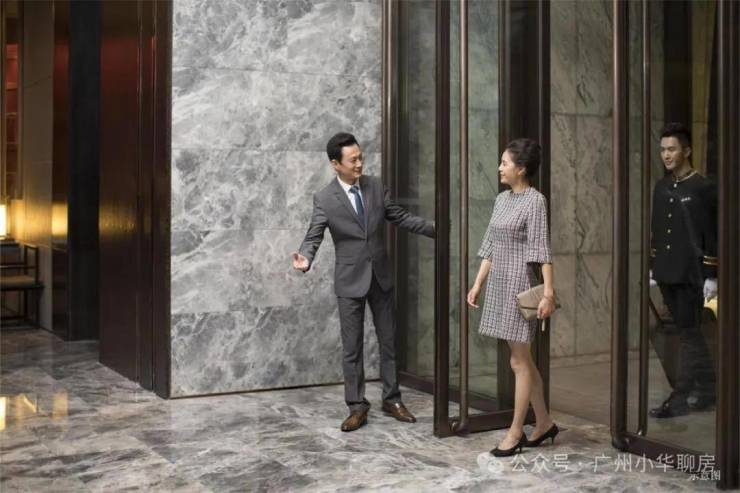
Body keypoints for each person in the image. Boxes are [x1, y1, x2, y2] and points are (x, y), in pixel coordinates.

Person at [292, 132, 435, 432]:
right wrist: (305, 257)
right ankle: (357, 406)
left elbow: (399, 216)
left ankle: (392, 399)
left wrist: (436, 228)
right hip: (349, 281)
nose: (359, 164)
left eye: (360, 157)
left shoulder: (375, 186)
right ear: (335, 164)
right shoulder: (324, 199)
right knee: (352, 348)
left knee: (389, 342)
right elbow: (314, 235)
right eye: (352, 160)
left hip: (381, 277)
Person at [467, 138, 558, 457]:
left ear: (521, 169)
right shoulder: (501, 200)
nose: (499, 168)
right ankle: (544, 422)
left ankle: (516, 431)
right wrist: (478, 283)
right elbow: (490, 246)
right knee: (523, 360)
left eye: (504, 163)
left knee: (518, 361)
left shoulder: (535, 201)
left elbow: (542, 250)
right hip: (499, 284)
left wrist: (548, 293)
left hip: (520, 285)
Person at [648, 122, 717, 419]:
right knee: (689, 333)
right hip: (667, 272)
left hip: (691, 275)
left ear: (686, 151)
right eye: (663, 149)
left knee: (688, 334)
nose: (666, 155)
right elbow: (657, 229)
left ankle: (680, 397)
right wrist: (654, 267)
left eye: (672, 149)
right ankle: (709, 389)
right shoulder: (661, 186)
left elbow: (712, 233)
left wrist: (711, 274)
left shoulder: (703, 186)